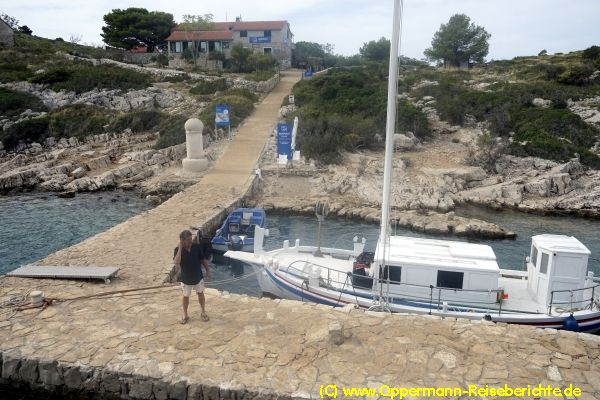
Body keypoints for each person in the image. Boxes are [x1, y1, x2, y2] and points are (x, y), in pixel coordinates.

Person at [174, 230, 211, 324]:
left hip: (198, 277)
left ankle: (203, 312)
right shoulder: (178, 250)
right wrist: (180, 248)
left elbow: (203, 260)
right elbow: (177, 262)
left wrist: (208, 271)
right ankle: (185, 315)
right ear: (182, 240)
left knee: (200, 293)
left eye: (191, 239)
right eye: (188, 239)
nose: (191, 241)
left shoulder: (196, 247)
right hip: (186, 279)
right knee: (186, 296)